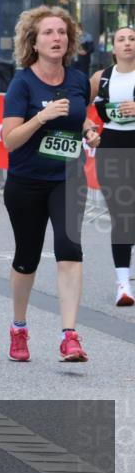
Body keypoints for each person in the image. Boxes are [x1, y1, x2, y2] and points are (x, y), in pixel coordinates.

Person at [1, 5, 99, 363]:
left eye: (62, 32)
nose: (57, 38)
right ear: (34, 42)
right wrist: (41, 116)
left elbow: (79, 116)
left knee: (70, 249)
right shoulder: (22, 83)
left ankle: (69, 336)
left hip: (68, 178)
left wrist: (88, 130)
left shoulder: (77, 80)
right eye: (48, 33)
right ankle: (19, 327)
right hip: (26, 181)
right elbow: (9, 140)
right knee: (27, 258)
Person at [90, 26, 135, 307]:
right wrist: (88, 131)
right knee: (122, 216)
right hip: (112, 148)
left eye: (132, 39)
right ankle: (123, 284)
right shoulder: (100, 77)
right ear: (113, 46)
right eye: (122, 39)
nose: (128, 43)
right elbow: (76, 104)